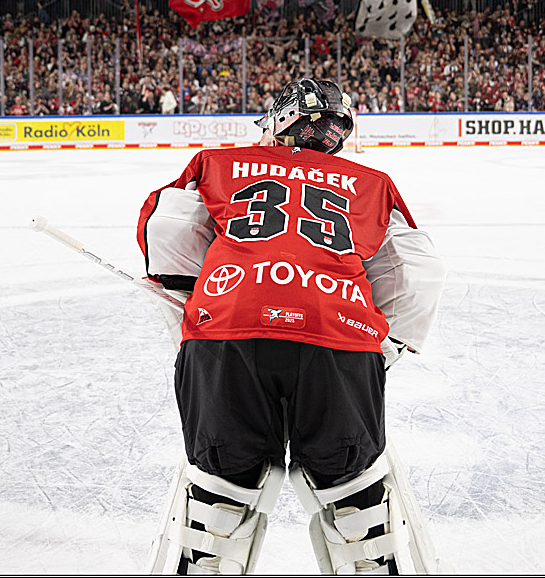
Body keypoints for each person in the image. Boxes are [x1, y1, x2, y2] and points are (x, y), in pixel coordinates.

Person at [137, 79, 445, 574]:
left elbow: (166, 230)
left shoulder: (216, 164)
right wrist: (380, 346)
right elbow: (418, 271)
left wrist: (200, 305)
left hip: (226, 335)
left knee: (223, 492)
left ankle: (211, 555)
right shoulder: (371, 182)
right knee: (351, 498)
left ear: (279, 121)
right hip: (338, 339)